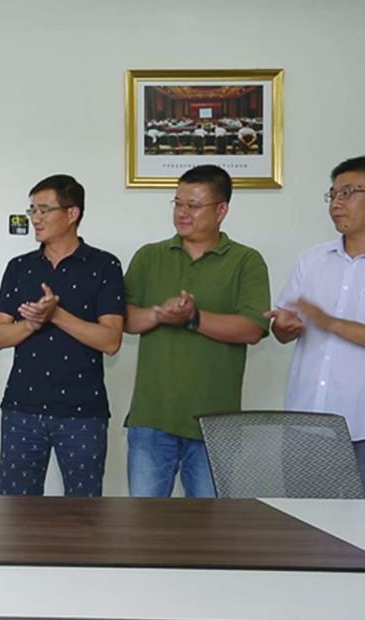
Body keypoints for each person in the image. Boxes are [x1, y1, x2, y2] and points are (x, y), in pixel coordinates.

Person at [124, 164, 270, 497]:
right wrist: (160, 314)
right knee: (143, 522)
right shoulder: (149, 256)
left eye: (193, 205)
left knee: (209, 524)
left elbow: (252, 328)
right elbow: (125, 321)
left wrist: (194, 318)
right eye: (177, 203)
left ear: (221, 210)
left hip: (214, 424)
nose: (182, 213)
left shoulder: (246, 261)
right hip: (151, 418)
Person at [267, 154, 365, 499]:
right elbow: (282, 332)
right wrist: (285, 327)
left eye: (348, 193)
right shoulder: (311, 260)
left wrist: (331, 323)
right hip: (306, 424)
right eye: (333, 194)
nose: (336, 204)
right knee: (303, 525)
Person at [0, 175, 124, 497]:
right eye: (32, 210)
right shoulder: (19, 267)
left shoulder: (104, 265)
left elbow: (111, 340)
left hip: (83, 410)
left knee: (83, 511)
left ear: (72, 213)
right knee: (14, 509)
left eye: (44, 210)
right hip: (22, 407)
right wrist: (31, 324)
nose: (35, 218)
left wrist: (57, 315)